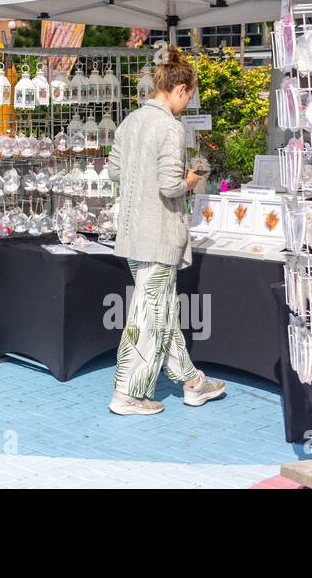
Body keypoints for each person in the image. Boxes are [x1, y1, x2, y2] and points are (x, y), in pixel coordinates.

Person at [106, 45, 226, 416]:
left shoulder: (130, 122)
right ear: (179, 89)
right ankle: (127, 392)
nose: (187, 104)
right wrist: (193, 178)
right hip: (158, 234)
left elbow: (112, 171)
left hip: (131, 231)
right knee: (149, 314)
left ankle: (192, 382)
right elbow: (171, 185)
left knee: (160, 311)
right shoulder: (170, 128)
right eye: (188, 96)